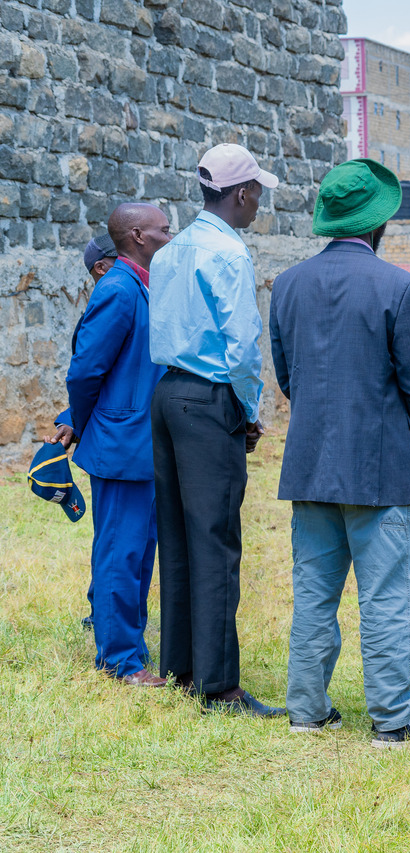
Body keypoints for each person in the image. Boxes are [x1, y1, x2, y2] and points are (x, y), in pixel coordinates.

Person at [271, 158, 410, 746]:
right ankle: (392, 722)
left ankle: (306, 710)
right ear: (380, 223)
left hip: (310, 460)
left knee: (313, 594)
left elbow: (289, 376)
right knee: (389, 599)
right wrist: (408, 440)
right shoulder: (399, 285)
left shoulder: (289, 284)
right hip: (377, 465)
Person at [149, 143, 282, 716]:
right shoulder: (228, 253)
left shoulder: (169, 251)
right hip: (208, 398)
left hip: (168, 394)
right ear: (242, 192)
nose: (260, 203)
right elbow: (242, 344)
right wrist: (249, 410)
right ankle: (220, 685)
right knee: (216, 539)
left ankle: (180, 667)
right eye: (258, 193)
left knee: (176, 534)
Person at [46, 206, 171, 687]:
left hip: (142, 442)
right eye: (162, 229)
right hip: (121, 443)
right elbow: (84, 371)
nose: (169, 234)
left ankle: (125, 641)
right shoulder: (117, 289)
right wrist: (75, 420)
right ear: (138, 236)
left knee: (139, 550)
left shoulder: (141, 284)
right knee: (121, 550)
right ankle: (120, 660)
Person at [50, 233, 119, 631]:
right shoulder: (110, 299)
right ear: (101, 266)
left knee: (118, 537)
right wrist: (73, 417)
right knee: (113, 536)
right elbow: (89, 375)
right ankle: (103, 616)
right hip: (109, 436)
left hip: (117, 434)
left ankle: (103, 609)